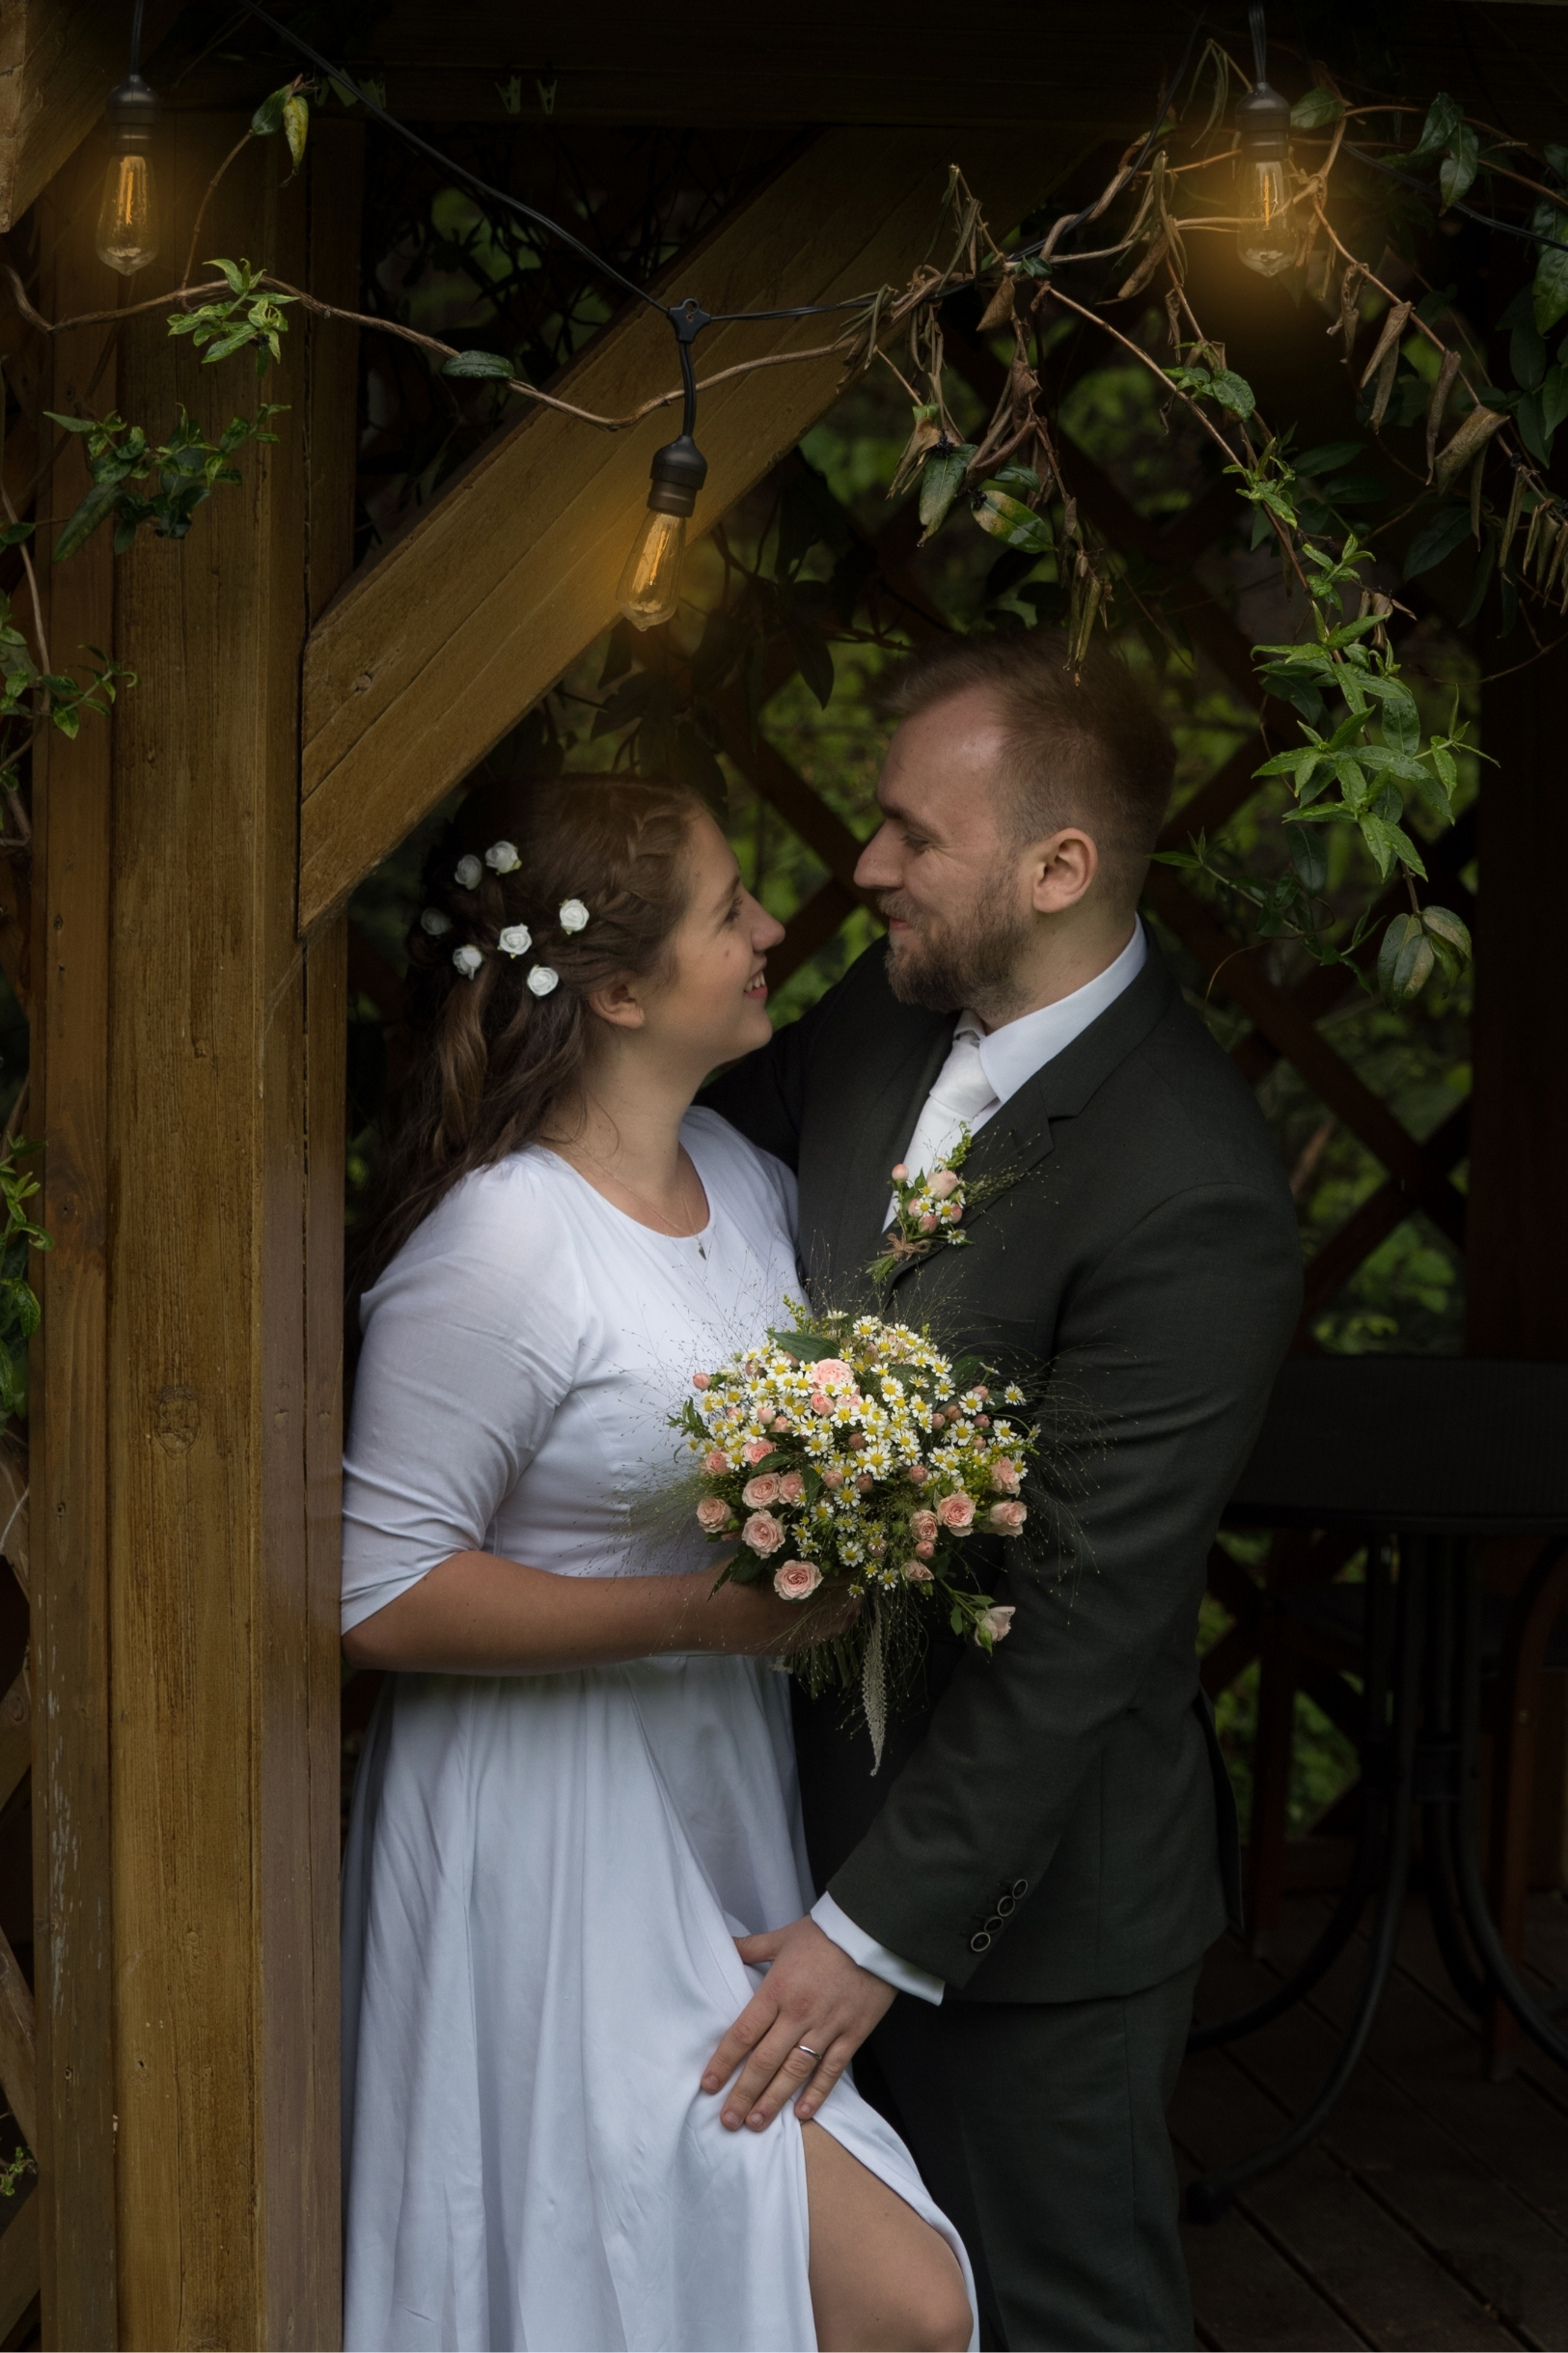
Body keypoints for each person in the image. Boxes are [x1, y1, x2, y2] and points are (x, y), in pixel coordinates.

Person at [701, 631, 1303, 2351]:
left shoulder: (1190, 1190)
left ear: (1058, 868)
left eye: (912, 833)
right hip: (774, 1840)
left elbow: (1081, 1624)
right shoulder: (882, 1021)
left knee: (1054, 2323)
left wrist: (872, 1930)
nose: (863, 865)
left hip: (1029, 1928)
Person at [338, 772, 976, 2353]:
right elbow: (379, 1592)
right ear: (618, 991)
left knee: (693, 2285)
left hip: (711, 1811)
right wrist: (706, 1613)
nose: (771, 930)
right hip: (542, 1843)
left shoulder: (746, 1185)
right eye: (726, 909)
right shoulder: (501, 1240)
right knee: (896, 2299)